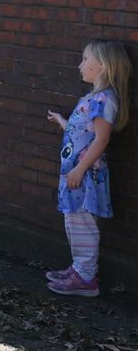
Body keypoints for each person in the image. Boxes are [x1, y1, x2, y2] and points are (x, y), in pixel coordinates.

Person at [44, 40, 131, 297]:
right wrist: (62, 121)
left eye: (85, 59)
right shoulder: (94, 97)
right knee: (74, 223)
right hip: (75, 174)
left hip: (84, 176)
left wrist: (79, 170)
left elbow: (101, 140)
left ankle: (86, 278)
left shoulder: (103, 100)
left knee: (83, 225)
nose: (80, 65)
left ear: (102, 66)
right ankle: (79, 269)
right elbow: (81, 133)